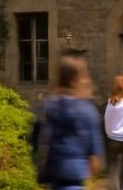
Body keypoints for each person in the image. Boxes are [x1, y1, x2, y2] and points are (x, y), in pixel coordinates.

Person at [31, 55, 105, 190]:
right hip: (76, 176)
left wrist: (39, 168)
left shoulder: (47, 106)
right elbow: (95, 158)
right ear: (79, 79)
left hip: (54, 174)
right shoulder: (88, 110)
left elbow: (34, 143)